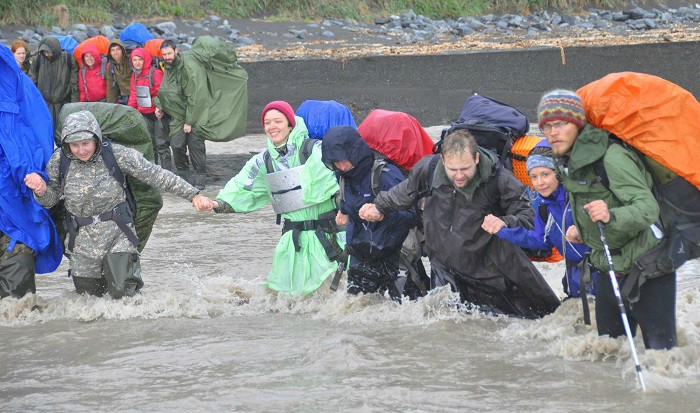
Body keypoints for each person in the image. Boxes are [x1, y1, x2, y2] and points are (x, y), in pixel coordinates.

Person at [359, 129, 560, 318]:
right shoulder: (428, 169)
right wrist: (379, 206)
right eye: (453, 169)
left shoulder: (499, 179)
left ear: (477, 158)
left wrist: (504, 222)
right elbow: (405, 192)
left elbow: (531, 218)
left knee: (534, 321)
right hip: (445, 269)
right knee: (446, 330)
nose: (459, 175)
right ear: (443, 160)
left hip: (491, 273)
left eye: (465, 168)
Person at [537, 89, 675, 349]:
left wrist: (611, 216)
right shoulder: (567, 162)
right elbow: (591, 199)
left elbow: (647, 209)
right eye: (546, 126)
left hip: (648, 270)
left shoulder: (611, 158)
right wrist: (581, 228)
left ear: (578, 124)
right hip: (607, 267)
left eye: (561, 124)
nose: (553, 132)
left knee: (662, 357)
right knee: (608, 355)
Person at [24, 110, 211, 299]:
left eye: (86, 143)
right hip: (81, 241)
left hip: (118, 233)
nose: (81, 150)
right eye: (75, 145)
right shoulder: (59, 160)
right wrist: (41, 191)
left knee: (124, 294)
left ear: (96, 138)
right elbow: (52, 199)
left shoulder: (115, 154)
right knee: (88, 301)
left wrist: (193, 195)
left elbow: (156, 174)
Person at [201, 101, 343, 297]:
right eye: (267, 122)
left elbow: (335, 183)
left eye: (278, 121)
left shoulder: (315, 150)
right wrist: (217, 203)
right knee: (286, 299)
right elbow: (243, 187)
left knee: (330, 294)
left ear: (290, 124)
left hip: (326, 237)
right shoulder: (264, 160)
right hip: (292, 242)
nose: (272, 126)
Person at [486, 140, 599, 311]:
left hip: (604, 280)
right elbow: (541, 241)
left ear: (560, 172)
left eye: (545, 174)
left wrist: (584, 230)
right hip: (576, 283)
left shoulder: (581, 198)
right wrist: (503, 230)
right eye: (534, 176)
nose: (539, 183)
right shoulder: (542, 205)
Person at [321, 126, 427, 300]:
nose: (341, 166)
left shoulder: (385, 175)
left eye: (344, 160)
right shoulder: (341, 176)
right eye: (335, 163)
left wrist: (382, 214)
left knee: (408, 312)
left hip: (395, 257)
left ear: (354, 152)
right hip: (359, 256)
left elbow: (411, 214)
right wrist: (344, 212)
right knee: (356, 310)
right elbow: (349, 202)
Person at [1, 42, 63, 298]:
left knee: (16, 306)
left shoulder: (15, 100)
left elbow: (31, 148)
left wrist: (38, 180)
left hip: (16, 217)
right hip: (17, 212)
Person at [154, 40, 207, 190]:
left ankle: (200, 176)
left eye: (169, 53)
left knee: (195, 145)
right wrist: (160, 106)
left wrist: (189, 121)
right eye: (164, 54)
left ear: (176, 51)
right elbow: (166, 92)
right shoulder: (168, 68)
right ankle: (183, 175)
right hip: (177, 114)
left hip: (195, 113)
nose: (167, 57)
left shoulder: (186, 67)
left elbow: (194, 95)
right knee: (176, 145)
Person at [128, 47, 171, 171]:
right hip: (143, 114)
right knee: (149, 144)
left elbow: (162, 93)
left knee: (161, 144)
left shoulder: (156, 73)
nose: (137, 62)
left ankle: (166, 173)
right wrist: (130, 111)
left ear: (145, 59)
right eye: (134, 60)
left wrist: (160, 107)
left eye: (140, 59)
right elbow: (133, 94)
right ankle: (153, 173)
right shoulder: (134, 76)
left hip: (158, 114)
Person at [29, 35, 78, 126]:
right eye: (44, 52)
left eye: (49, 52)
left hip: (63, 104)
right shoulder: (38, 59)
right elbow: (32, 83)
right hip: (44, 104)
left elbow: (74, 84)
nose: (46, 54)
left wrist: (73, 106)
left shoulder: (68, 59)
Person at [105, 39, 132, 105]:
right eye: (112, 50)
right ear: (110, 53)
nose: (115, 52)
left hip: (136, 95)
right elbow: (111, 88)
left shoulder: (131, 61)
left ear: (122, 50)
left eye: (118, 49)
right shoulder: (110, 66)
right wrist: (109, 106)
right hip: (125, 97)